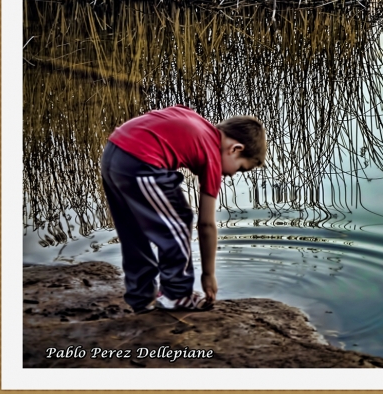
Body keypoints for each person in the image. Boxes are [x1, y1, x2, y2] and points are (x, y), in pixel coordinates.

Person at [100, 104, 266, 313]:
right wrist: (208, 275)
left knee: (133, 231)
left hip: (113, 153)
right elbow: (206, 224)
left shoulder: (197, 121)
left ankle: (141, 297)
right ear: (236, 149)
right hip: (140, 162)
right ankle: (176, 294)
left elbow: (169, 117)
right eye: (241, 168)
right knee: (179, 222)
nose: (233, 175)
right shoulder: (213, 154)